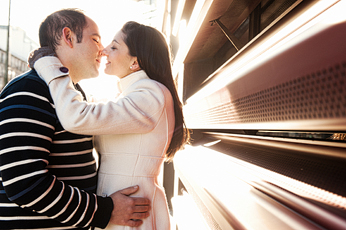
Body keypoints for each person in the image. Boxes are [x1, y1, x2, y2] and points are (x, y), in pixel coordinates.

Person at [30, 21, 190, 229]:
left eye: (114, 47)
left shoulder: (150, 94)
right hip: (122, 208)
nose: (104, 51)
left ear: (135, 61)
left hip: (132, 211)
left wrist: (49, 66)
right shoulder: (133, 95)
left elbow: (76, 117)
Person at [0, 10, 150, 230]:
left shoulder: (70, 95)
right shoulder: (29, 89)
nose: (103, 50)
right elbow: (25, 183)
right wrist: (105, 210)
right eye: (96, 39)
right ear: (68, 37)